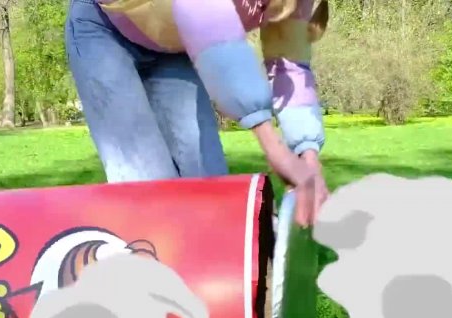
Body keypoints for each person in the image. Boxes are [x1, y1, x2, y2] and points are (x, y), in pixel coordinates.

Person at [65, 0, 330, 226]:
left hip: (174, 46)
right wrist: (273, 146)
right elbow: (208, 19)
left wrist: (307, 153)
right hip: (105, 29)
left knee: (209, 184)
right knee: (149, 192)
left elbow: (289, 63)